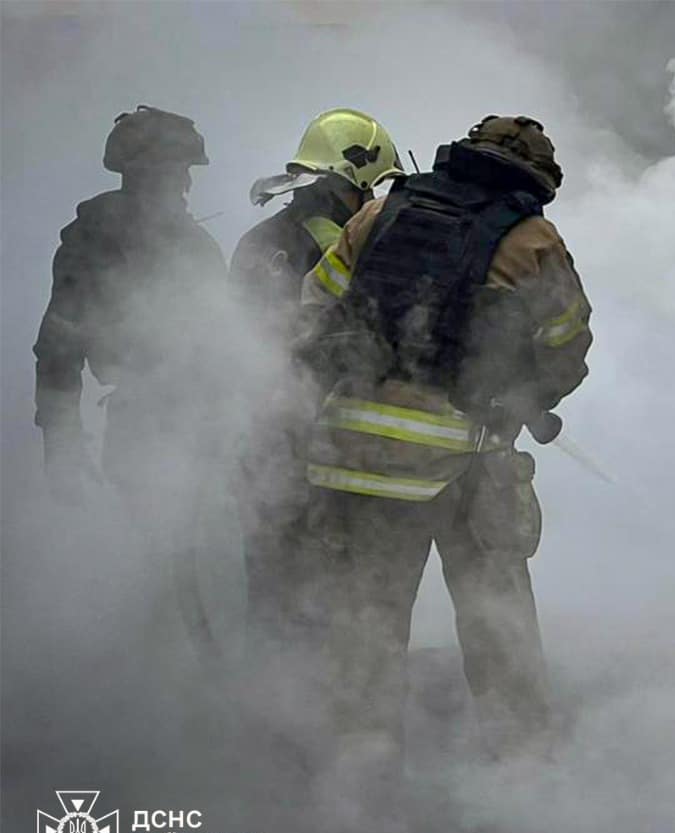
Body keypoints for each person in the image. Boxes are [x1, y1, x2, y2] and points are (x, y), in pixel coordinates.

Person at [294, 115, 592, 778]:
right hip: (464, 462)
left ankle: (358, 780)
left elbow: (312, 312)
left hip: (355, 458)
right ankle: (527, 774)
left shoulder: (378, 214)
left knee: (367, 629)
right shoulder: (533, 238)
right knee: (497, 623)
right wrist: (523, 395)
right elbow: (568, 345)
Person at [33, 105, 228, 659]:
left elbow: (228, 343)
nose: (188, 184)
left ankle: (188, 672)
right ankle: (161, 676)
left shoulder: (192, 245)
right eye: (180, 170)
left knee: (199, 566)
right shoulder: (94, 244)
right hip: (147, 427)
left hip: (200, 426)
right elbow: (59, 348)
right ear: (151, 173)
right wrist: (62, 444)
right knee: (164, 565)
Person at [230, 108, 402, 643]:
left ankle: (270, 681)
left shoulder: (258, 240)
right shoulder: (345, 248)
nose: (369, 200)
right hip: (322, 440)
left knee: (270, 581)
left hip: (259, 437)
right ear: (348, 182)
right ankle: (322, 684)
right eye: (367, 189)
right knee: (333, 590)